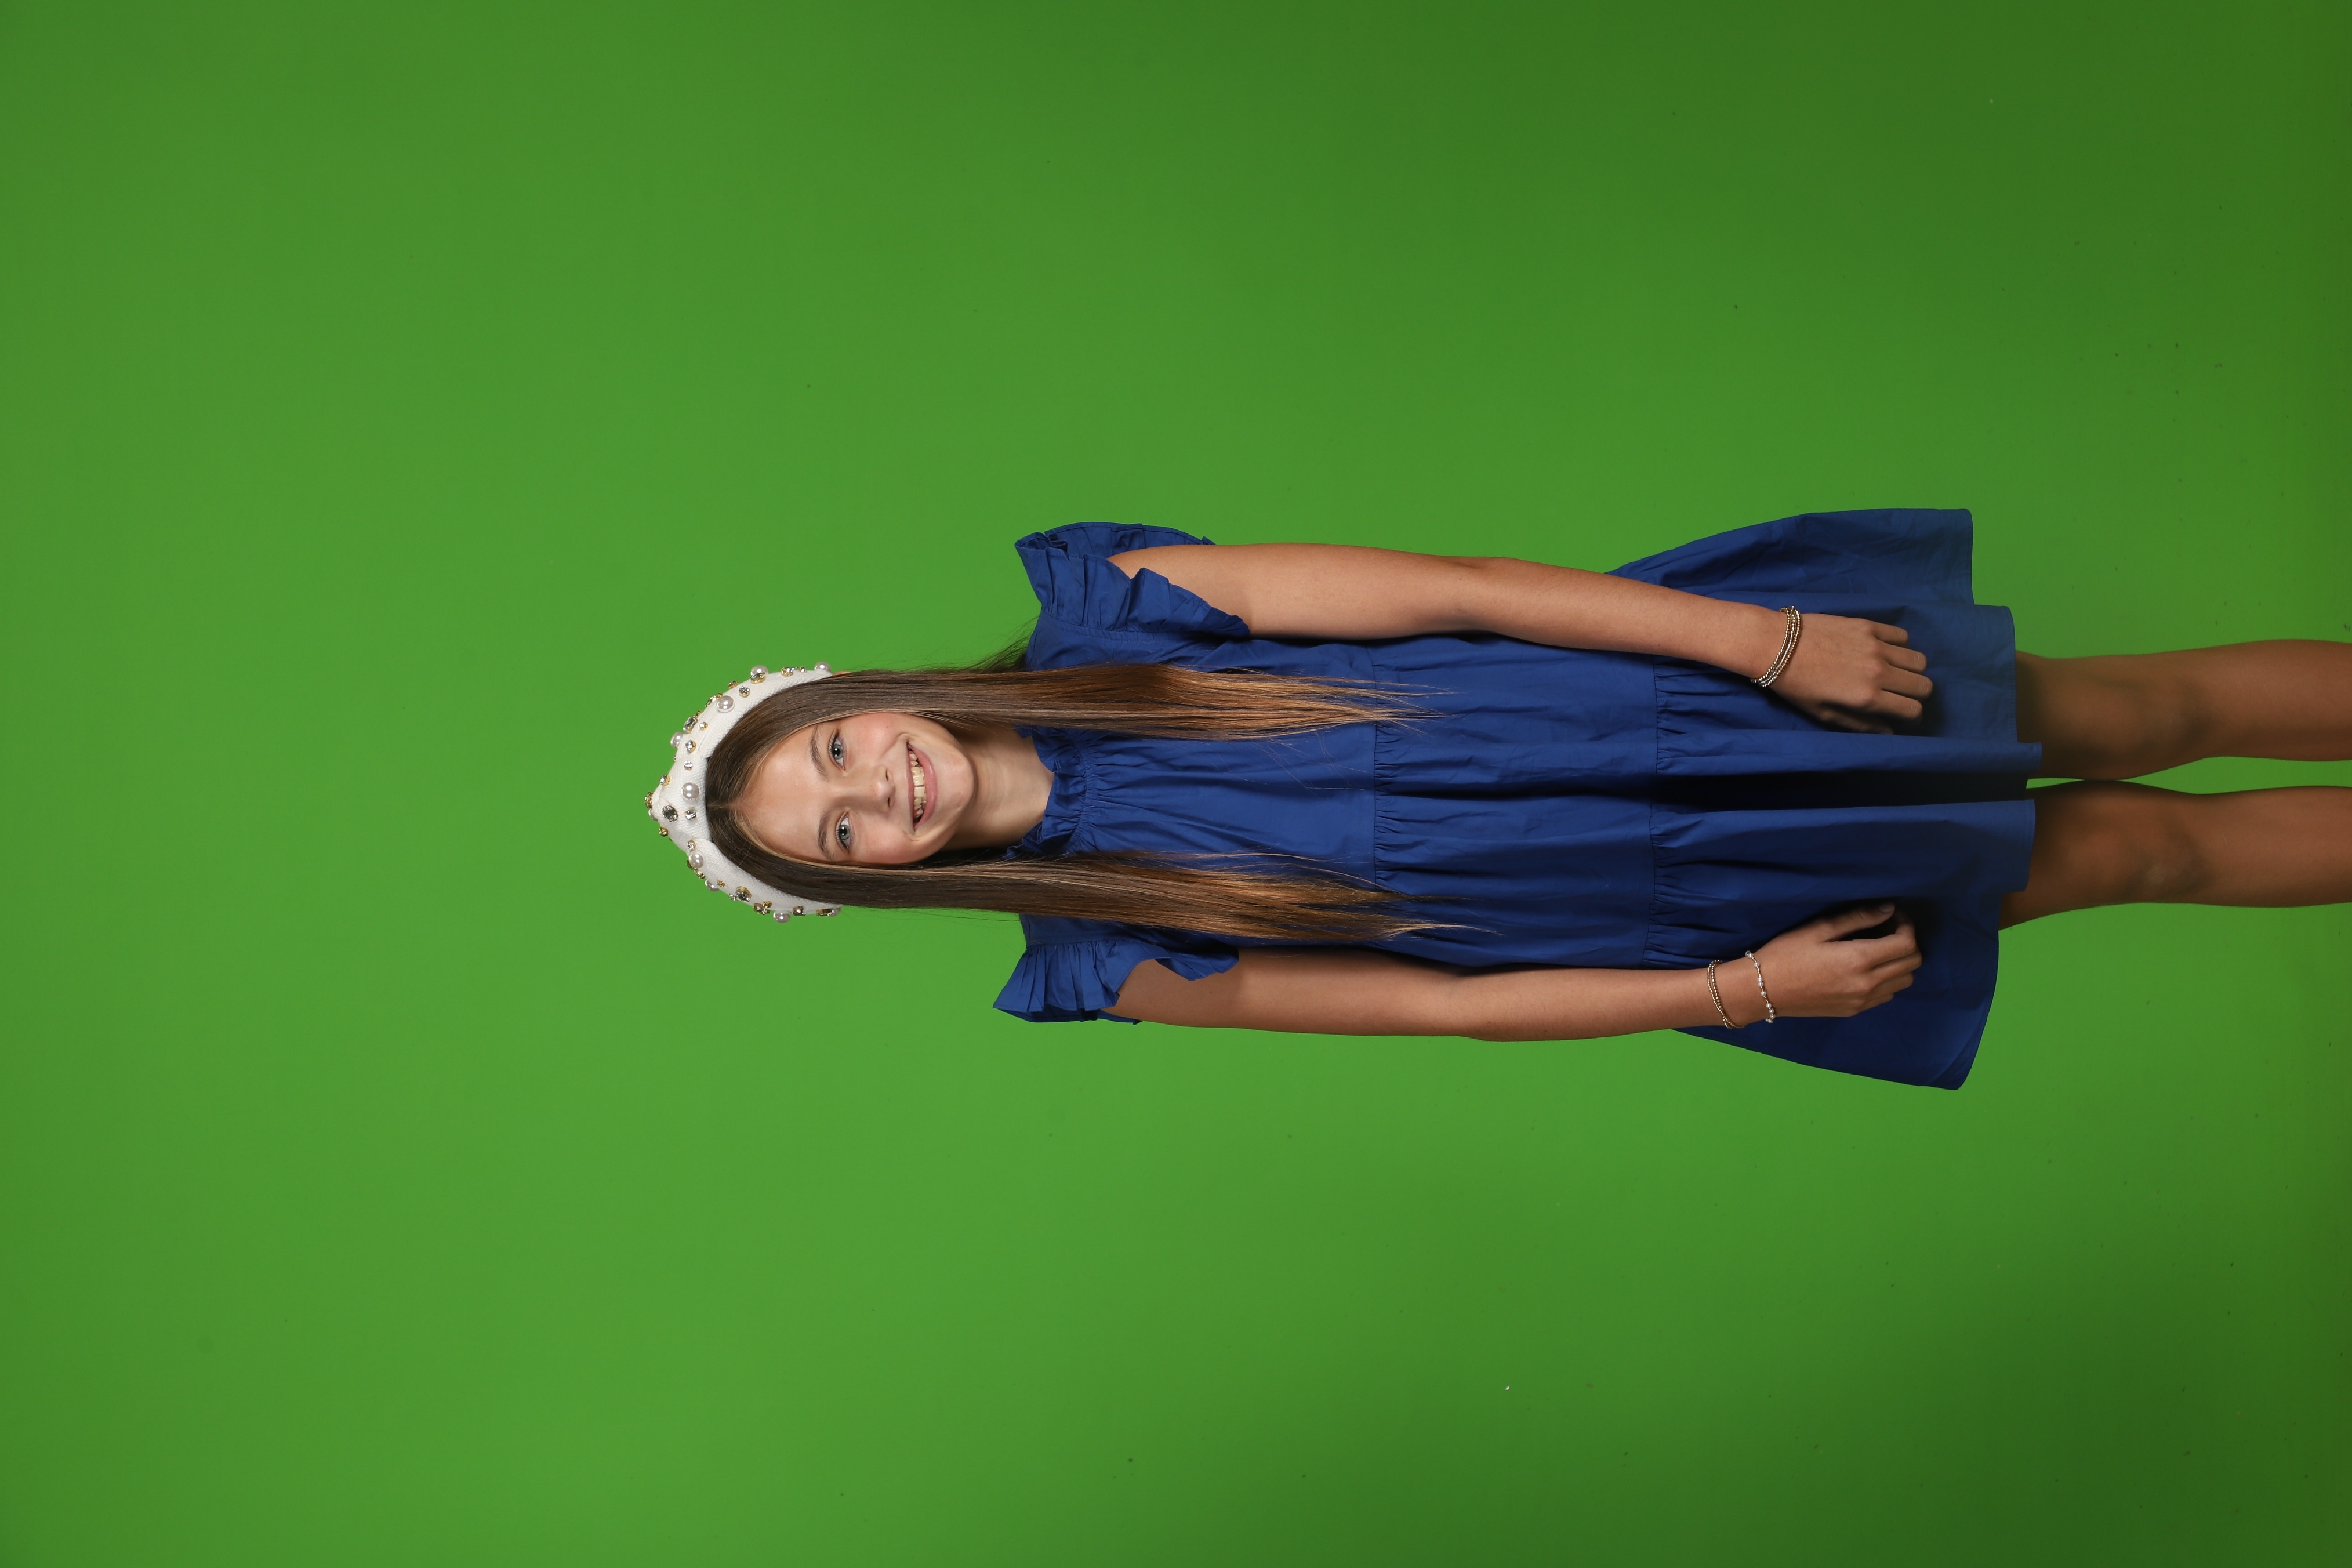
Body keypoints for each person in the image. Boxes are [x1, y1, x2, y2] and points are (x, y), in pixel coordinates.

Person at [644, 511, 2352, 1088]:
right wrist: (1742, 989)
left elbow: (1464, 590)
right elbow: (1440, 1012)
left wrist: (1761, 641)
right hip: (1691, 887)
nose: (879, 791)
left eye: (837, 751)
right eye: (841, 833)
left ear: (857, 698)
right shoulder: (1112, 953)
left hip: (1700, 698)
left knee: (2149, 707)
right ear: (875, 881)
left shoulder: (1130, 609)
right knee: (2141, 849)